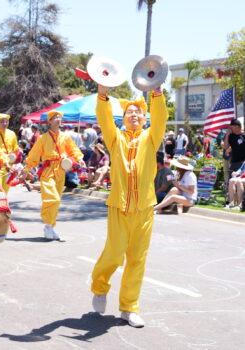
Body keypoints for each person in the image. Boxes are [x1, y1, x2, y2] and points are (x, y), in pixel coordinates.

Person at [91, 84, 167, 328]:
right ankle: (100, 287)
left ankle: (129, 307)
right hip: (119, 207)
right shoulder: (116, 139)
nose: (134, 115)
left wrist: (157, 94)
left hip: (144, 209)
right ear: (123, 119)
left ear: (144, 119)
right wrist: (102, 96)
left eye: (138, 113)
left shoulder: (151, 137)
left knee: (137, 260)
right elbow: (104, 120)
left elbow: (161, 118)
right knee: (113, 254)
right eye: (129, 113)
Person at [23, 110, 83, 240]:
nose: (58, 120)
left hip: (61, 171)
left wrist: (79, 159)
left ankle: (50, 226)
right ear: (49, 121)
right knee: (52, 198)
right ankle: (47, 225)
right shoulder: (43, 138)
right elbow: (34, 155)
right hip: (48, 171)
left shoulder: (65, 137)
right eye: (55, 117)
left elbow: (74, 150)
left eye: (60, 118)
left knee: (57, 201)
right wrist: (26, 168)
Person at [0, 113, 19, 193]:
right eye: (2, 121)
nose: (4, 123)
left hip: (9, 167)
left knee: (6, 189)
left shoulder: (12, 134)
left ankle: (3, 205)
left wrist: (14, 164)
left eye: (6, 121)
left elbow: (16, 150)